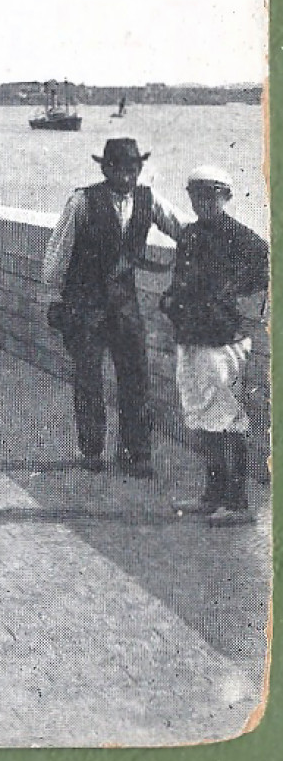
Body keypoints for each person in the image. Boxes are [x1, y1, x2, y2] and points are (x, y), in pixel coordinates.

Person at [39, 138, 185, 477]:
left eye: (134, 169)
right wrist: (53, 297)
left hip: (124, 306)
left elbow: (182, 229)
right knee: (88, 378)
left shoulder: (149, 200)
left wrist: (209, 245)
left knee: (136, 378)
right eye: (120, 169)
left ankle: (137, 453)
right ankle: (92, 450)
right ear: (107, 169)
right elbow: (58, 253)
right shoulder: (82, 201)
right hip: (84, 306)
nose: (128, 177)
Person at [160, 166, 268, 524]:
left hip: (222, 340)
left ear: (226, 197)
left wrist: (231, 298)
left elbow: (266, 269)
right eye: (196, 195)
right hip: (191, 336)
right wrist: (172, 300)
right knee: (201, 415)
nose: (202, 202)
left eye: (211, 195)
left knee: (228, 419)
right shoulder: (191, 234)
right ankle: (213, 494)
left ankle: (237, 504)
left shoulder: (242, 237)